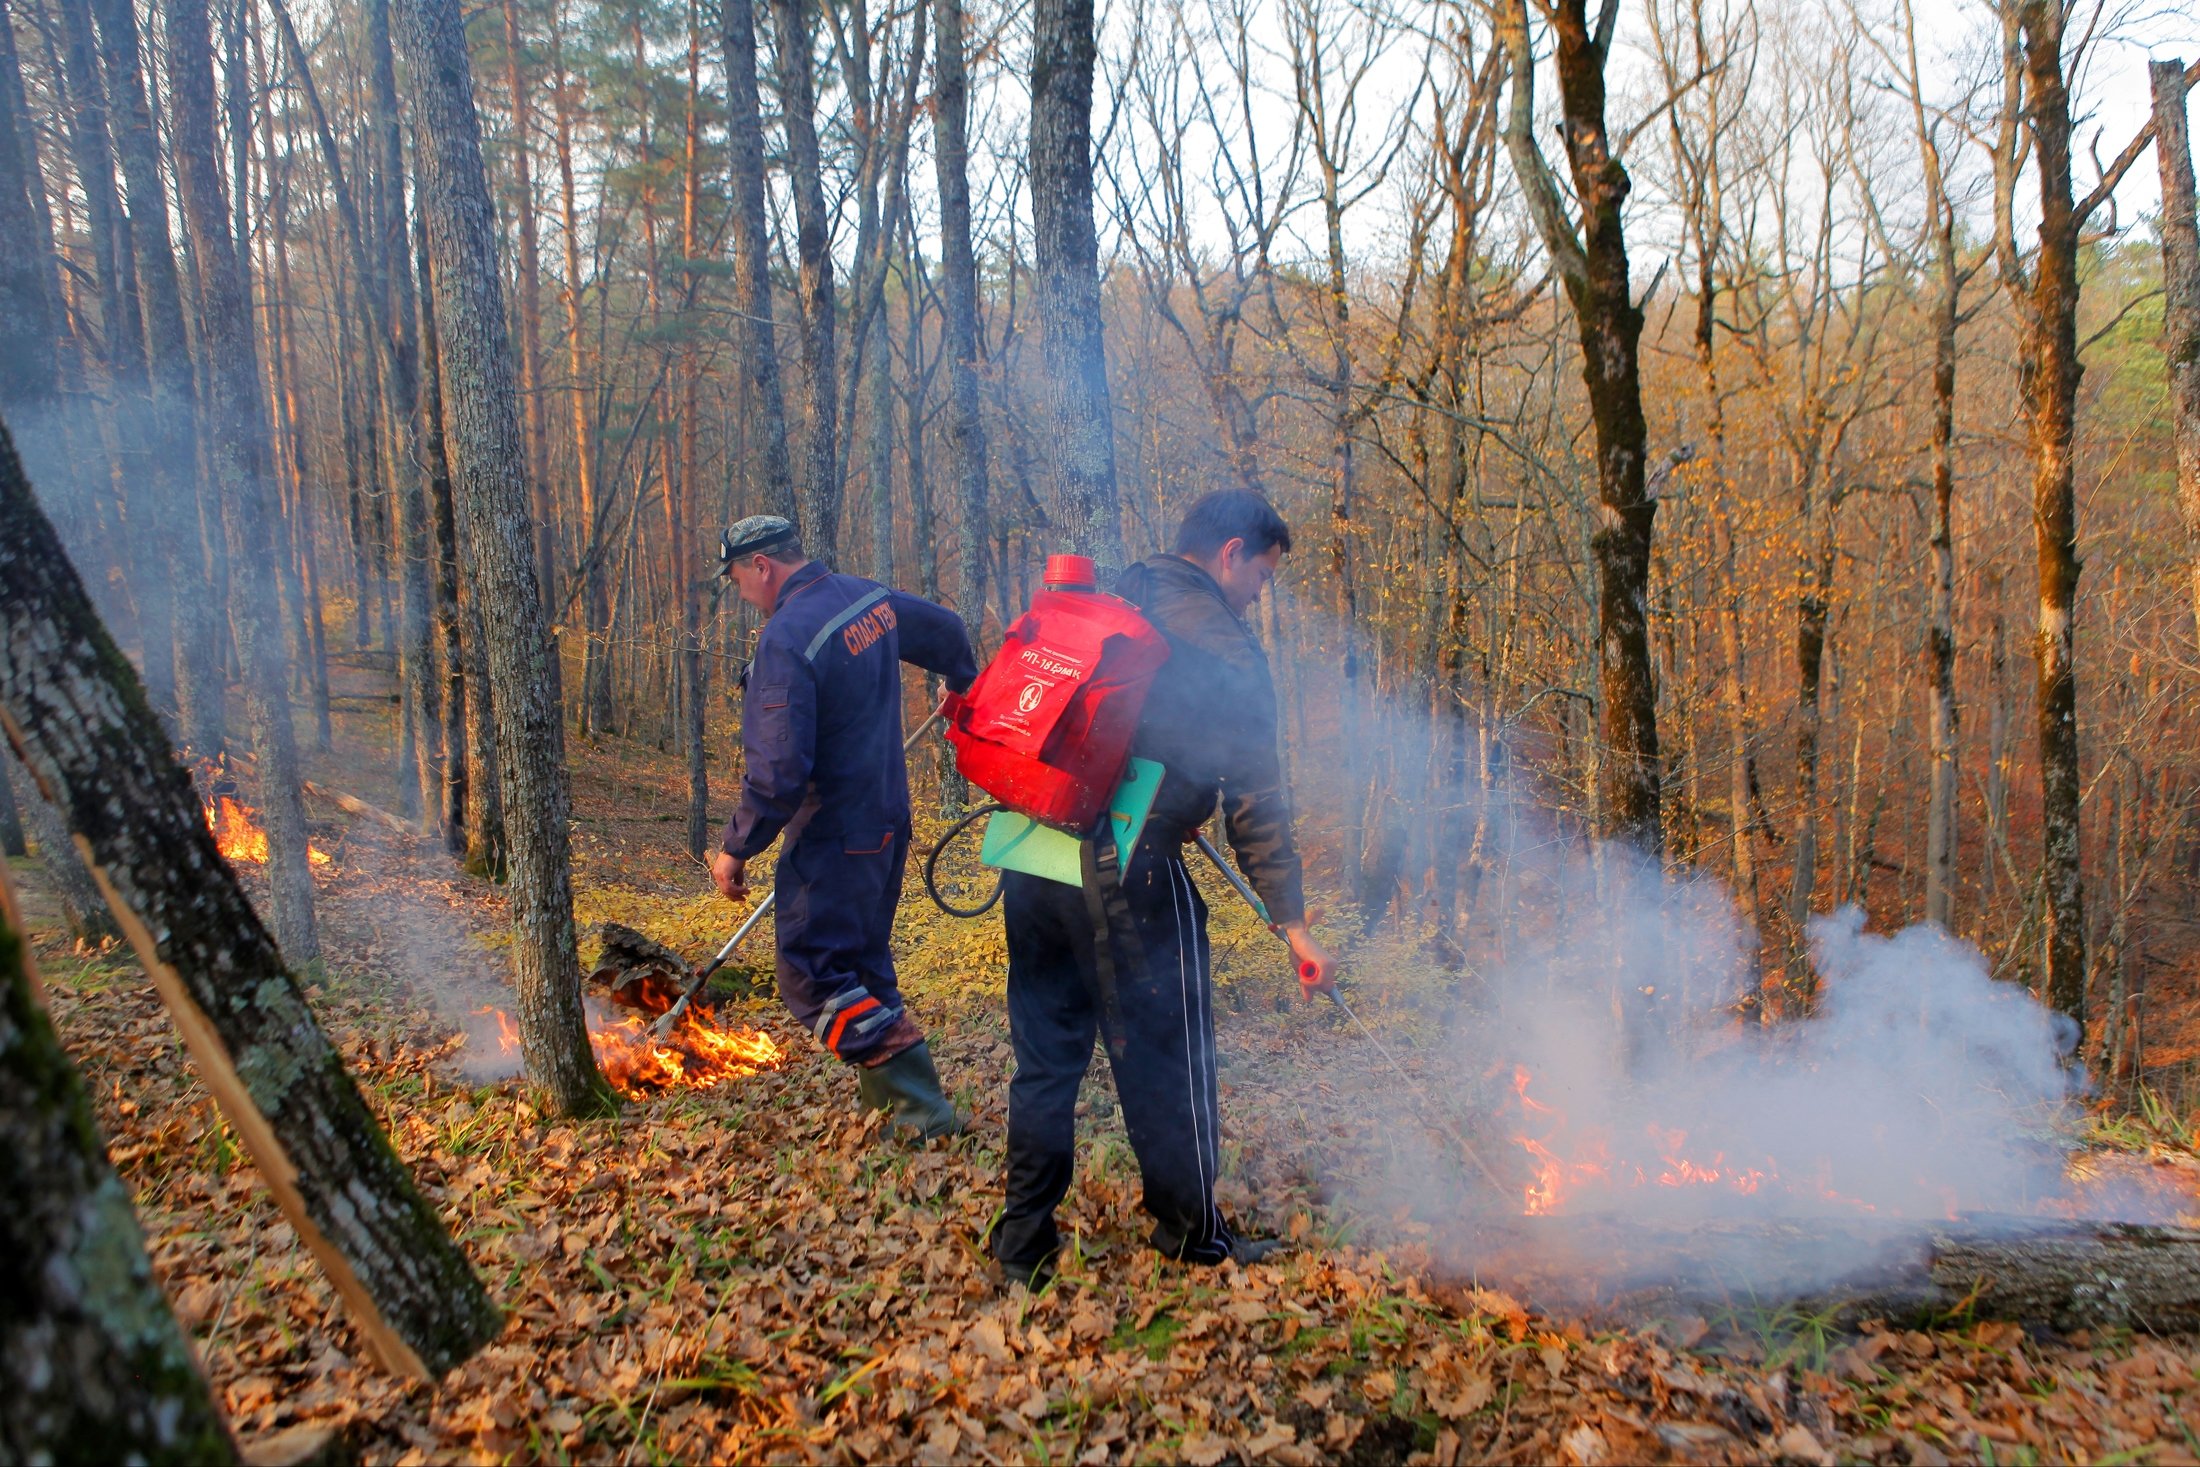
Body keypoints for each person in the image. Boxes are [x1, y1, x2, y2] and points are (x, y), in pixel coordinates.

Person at [988, 489, 1336, 1287]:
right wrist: (1293, 923)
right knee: (1169, 1057)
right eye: (1262, 576)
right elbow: (1258, 796)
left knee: (1044, 1060)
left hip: (1031, 851)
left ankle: (1022, 1245)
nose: (1258, 594)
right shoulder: (1228, 650)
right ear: (1230, 554)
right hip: (1131, 871)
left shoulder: (1108, 597)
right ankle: (1192, 1234)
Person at [710, 515, 978, 1138]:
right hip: (886, 819)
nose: (740, 592)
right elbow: (946, 630)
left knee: (811, 973)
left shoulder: (786, 638)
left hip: (833, 829)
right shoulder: (866, 597)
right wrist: (962, 681)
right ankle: (895, 1110)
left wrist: (735, 848)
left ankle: (922, 1106)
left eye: (736, 579)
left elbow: (778, 771)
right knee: (860, 962)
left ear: (762, 566)